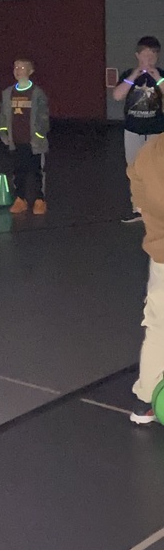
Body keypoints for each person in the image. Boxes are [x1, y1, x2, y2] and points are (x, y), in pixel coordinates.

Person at [127, 135, 164, 423]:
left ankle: (145, 400)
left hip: (160, 256)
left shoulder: (149, 151)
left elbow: (139, 202)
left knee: (157, 328)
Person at [113, 36, 164, 224]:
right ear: (137, 55)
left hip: (156, 131)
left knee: (157, 171)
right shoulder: (128, 74)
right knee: (134, 170)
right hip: (133, 130)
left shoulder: (161, 75)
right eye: (145, 56)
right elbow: (118, 95)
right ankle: (139, 209)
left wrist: (157, 78)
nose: (149, 60)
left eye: (153, 56)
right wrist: (135, 75)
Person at [0, 58, 50, 214]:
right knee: (18, 171)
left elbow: (43, 117)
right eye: (15, 67)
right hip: (16, 140)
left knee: (36, 171)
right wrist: (3, 132)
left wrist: (39, 135)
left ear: (30, 71)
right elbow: (3, 116)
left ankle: (39, 200)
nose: (18, 70)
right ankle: (20, 199)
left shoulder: (37, 93)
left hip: (33, 142)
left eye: (22, 67)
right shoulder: (8, 93)